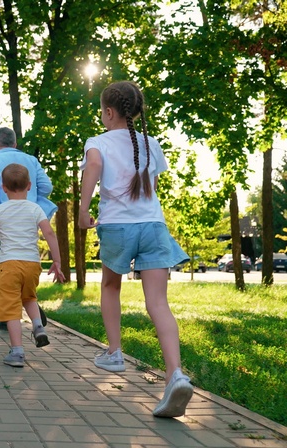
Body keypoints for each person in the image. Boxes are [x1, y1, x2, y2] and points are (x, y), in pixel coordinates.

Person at [78, 80, 192, 418]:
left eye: (102, 111)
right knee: (158, 302)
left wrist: (84, 209)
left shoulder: (97, 142)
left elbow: (95, 167)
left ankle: (115, 353)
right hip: (153, 225)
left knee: (111, 286)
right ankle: (176, 374)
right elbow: (152, 187)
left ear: (109, 112)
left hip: (117, 226)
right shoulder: (151, 143)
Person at [0, 127, 58, 329]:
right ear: (15, 144)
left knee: (1, 268)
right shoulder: (31, 161)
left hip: (1, 219)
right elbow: (47, 187)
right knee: (26, 259)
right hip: (29, 220)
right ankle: (30, 302)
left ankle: (6, 317)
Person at [0, 163, 65, 367]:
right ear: (29, 186)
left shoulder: (0, 210)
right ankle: (38, 327)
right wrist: (57, 261)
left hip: (9, 265)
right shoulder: (36, 209)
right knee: (29, 297)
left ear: (4, 188)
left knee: (11, 308)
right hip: (32, 264)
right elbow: (49, 234)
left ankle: (17, 353)